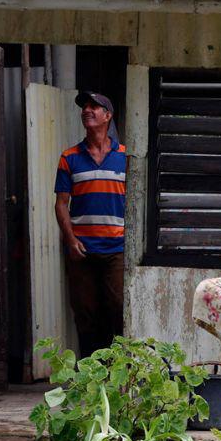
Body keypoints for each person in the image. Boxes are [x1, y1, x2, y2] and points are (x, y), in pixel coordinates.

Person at [54, 91, 125, 357]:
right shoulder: (69, 157)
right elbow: (61, 203)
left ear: (108, 116)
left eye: (95, 106)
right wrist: (70, 240)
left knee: (117, 310)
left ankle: (115, 373)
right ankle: (89, 376)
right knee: (85, 313)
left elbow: (136, 201)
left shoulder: (125, 157)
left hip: (116, 248)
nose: (87, 109)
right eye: (85, 106)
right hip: (81, 249)